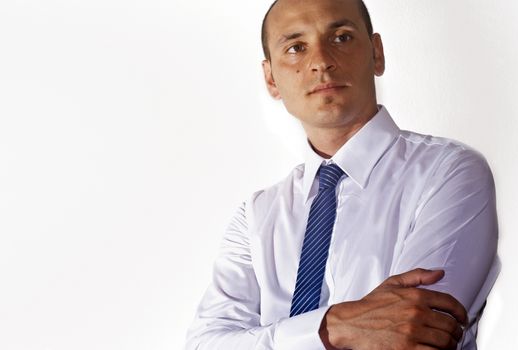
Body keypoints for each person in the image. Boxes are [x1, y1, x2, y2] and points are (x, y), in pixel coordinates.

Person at [185, 0, 500, 349]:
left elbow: (412, 337)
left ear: (376, 54)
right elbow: (205, 344)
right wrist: (332, 327)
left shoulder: (450, 174)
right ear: (271, 78)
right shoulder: (256, 216)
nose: (321, 61)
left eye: (342, 37)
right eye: (296, 48)